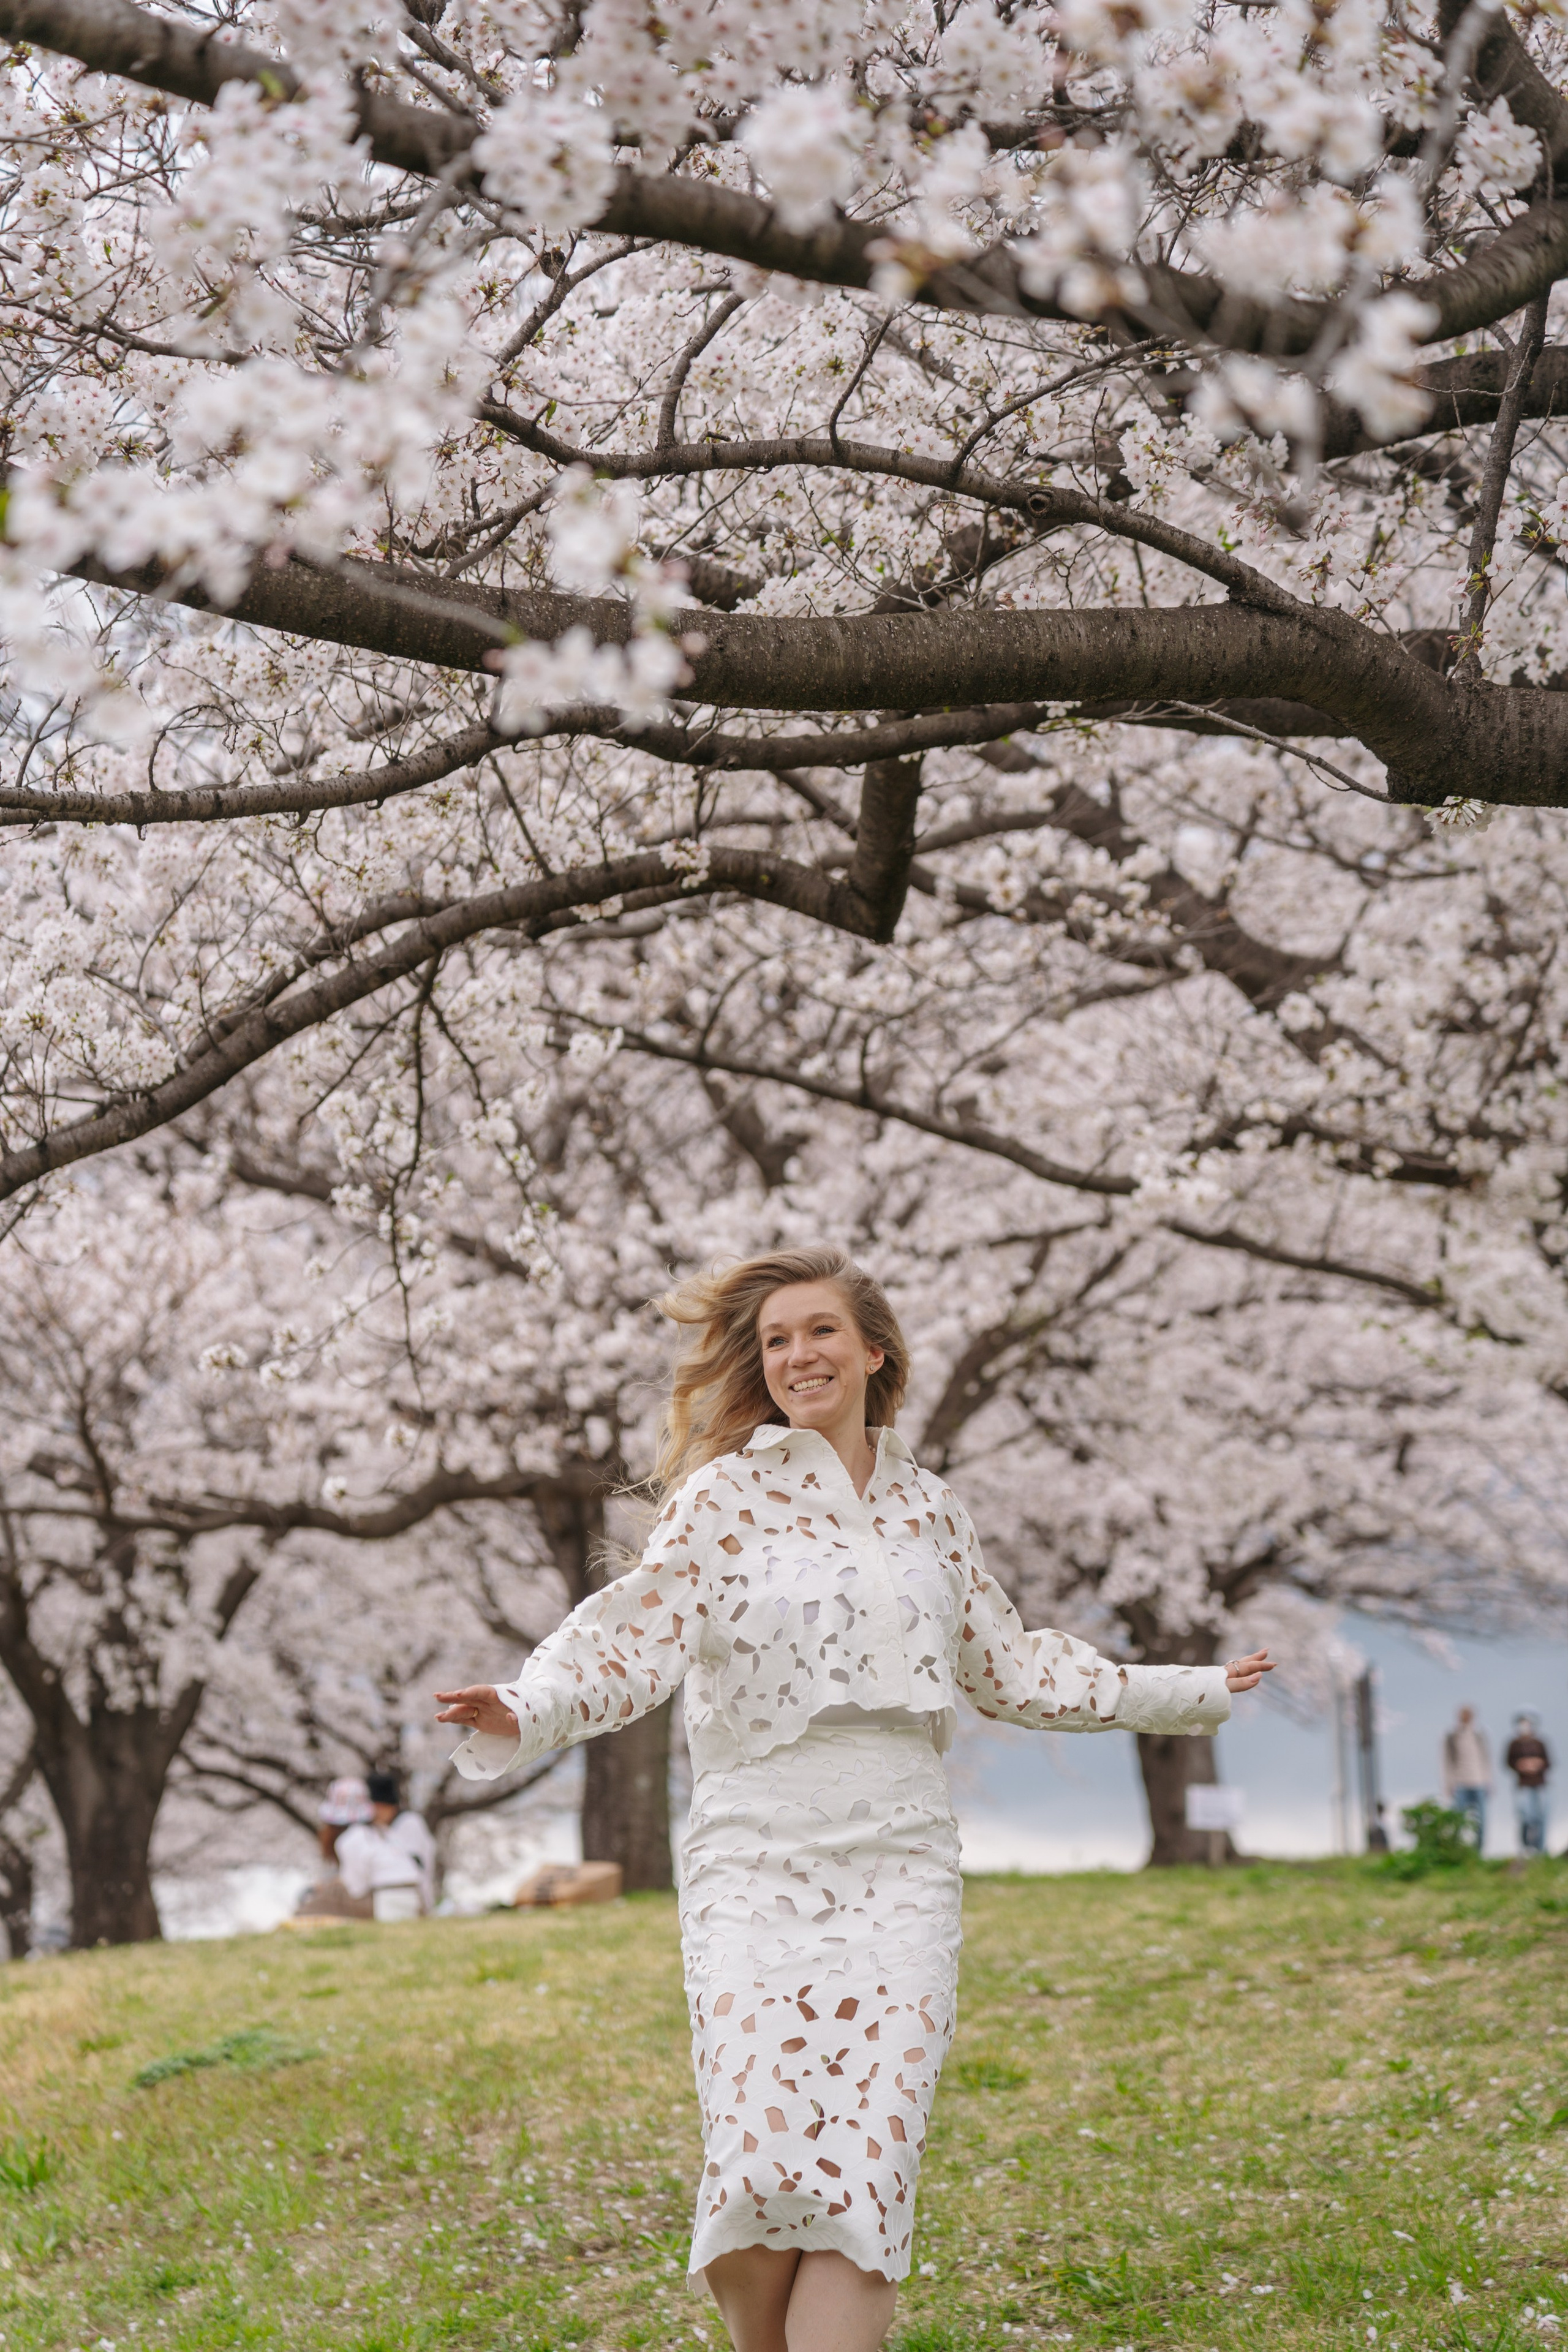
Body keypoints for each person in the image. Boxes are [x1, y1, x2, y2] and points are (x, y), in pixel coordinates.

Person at [436, 1245, 1275, 2352]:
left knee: (859, 2183)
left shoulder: (932, 1513)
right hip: (756, 1863)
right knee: (754, 2194)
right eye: (776, 1340)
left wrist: (1191, 1690)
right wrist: (527, 1704)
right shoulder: (722, 1503)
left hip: (901, 1868)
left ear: (874, 1350)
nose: (797, 1356)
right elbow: (633, 1638)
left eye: (820, 1331)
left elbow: (1013, 1668)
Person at [336, 1771, 437, 1921]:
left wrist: (428, 1900)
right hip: (390, 1891)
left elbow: (425, 1861)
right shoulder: (368, 1832)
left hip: (406, 1889)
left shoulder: (410, 1823)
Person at [290, 1775, 375, 1922]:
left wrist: (328, 1887)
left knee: (307, 1910)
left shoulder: (349, 1840)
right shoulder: (373, 1834)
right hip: (379, 1900)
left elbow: (354, 1887)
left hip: (369, 1902)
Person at [1442, 1705, 1492, 1849]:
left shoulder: (1479, 1735)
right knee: (1458, 1820)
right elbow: (1447, 1761)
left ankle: (1478, 1852)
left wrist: (1488, 1781)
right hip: (1460, 1784)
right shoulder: (1452, 1736)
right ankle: (1457, 1850)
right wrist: (1448, 1783)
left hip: (1480, 1783)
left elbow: (1486, 1759)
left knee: (1481, 1821)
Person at [1504, 1711, 1551, 1856]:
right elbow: (1509, 1763)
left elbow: (1549, 1762)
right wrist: (1522, 1765)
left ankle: (1540, 1848)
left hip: (1540, 1784)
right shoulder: (1514, 1744)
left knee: (1541, 1816)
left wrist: (1537, 1764)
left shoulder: (1540, 1743)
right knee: (1525, 1816)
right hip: (1523, 1784)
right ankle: (1526, 1846)